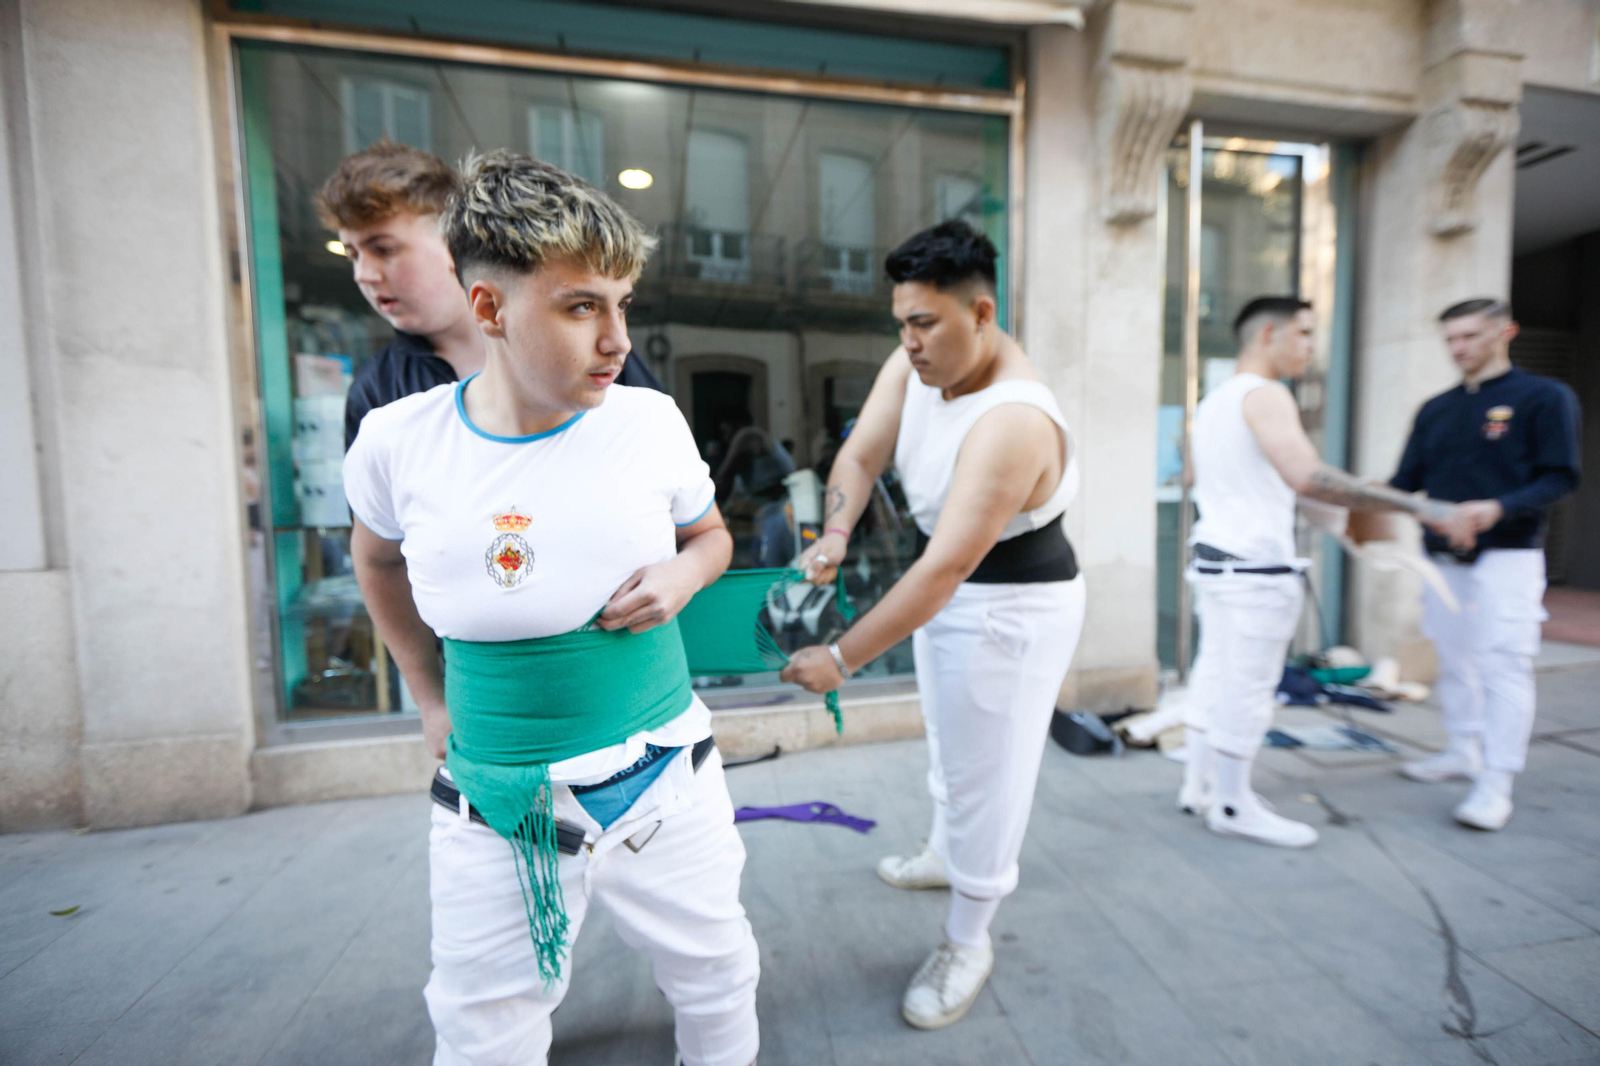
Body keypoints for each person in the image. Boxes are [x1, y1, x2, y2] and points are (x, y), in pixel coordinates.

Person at [344, 150, 758, 1066]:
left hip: (666, 778)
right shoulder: (396, 441)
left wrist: (685, 579)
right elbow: (373, 559)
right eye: (581, 307)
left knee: (720, 974)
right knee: (482, 1026)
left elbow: (712, 537)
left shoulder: (647, 420)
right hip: (496, 803)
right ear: (489, 308)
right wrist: (426, 694)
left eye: (623, 304)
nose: (617, 339)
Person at [779, 220, 1085, 1031]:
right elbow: (857, 456)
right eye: (901, 323)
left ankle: (970, 937)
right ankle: (947, 855)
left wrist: (841, 658)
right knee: (953, 747)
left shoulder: (1013, 419)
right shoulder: (918, 358)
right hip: (950, 590)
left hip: (1012, 604)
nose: (909, 342)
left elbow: (942, 570)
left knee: (994, 776)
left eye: (925, 324)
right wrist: (835, 536)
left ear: (981, 314)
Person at [1179, 296, 1455, 848]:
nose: (1311, 346)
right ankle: (1232, 804)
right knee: (1250, 688)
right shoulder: (1267, 395)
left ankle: (1199, 785)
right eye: (1304, 334)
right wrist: (1419, 507)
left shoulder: (1211, 405)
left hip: (1215, 562)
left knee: (1215, 674)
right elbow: (1305, 477)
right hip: (1256, 570)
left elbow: (1195, 478)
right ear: (1269, 335)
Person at [316, 140, 662, 451]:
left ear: (451, 243)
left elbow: (670, 490)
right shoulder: (376, 392)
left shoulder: (595, 352)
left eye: (384, 249)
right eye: (354, 255)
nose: (363, 274)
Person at [1390, 298, 1581, 831]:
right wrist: (1380, 502)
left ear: (1506, 333)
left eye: (1470, 336)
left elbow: (1561, 475)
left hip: (1509, 553)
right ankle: (1460, 750)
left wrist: (1497, 508)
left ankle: (1497, 782)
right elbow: (1404, 482)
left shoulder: (1545, 397)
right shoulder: (1436, 408)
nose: (1459, 348)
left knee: (1504, 663)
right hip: (1442, 558)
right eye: (1451, 338)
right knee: (1455, 659)